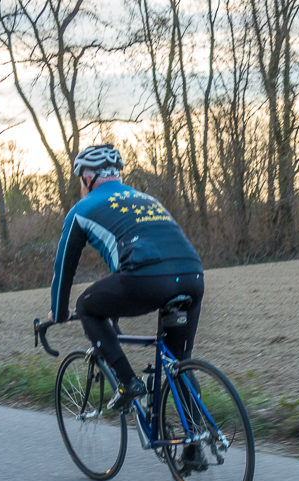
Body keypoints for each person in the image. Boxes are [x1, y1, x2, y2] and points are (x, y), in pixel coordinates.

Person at [48, 143, 204, 410]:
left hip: (147, 279)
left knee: (87, 305)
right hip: (193, 276)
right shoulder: (147, 199)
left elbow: (64, 268)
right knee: (179, 363)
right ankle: (196, 445)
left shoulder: (82, 209)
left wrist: (59, 311)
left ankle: (128, 383)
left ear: (87, 179)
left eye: (80, 181)